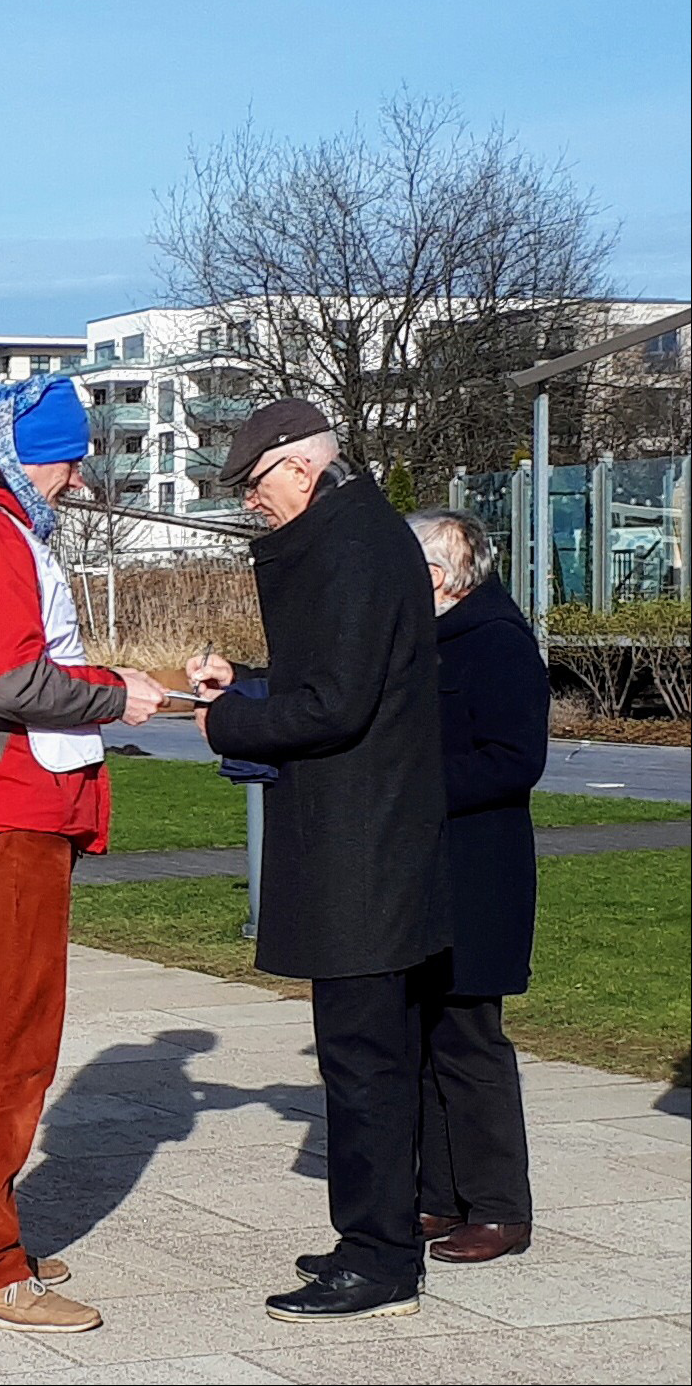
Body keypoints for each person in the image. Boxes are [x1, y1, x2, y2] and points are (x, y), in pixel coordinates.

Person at [0, 374, 164, 1334]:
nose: (78, 477)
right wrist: (115, 693)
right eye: (68, 459)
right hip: (3, 809)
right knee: (6, 1047)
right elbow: (11, 683)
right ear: (29, 456)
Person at [191, 399, 451, 1323]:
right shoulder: (361, 536)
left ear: (300, 468)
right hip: (367, 840)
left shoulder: (353, 547)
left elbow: (336, 705)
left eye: (255, 483)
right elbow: (338, 681)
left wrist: (230, 720)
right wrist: (252, 687)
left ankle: (379, 1262)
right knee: (369, 1054)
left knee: (364, 1060)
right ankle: (375, 1240)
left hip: (363, 848)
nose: (250, 503)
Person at [402, 508, 544, 1264]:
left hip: (478, 874)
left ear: (437, 576)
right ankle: (439, 1196)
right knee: (428, 1035)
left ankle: (498, 1208)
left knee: (469, 1039)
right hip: (425, 871)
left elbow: (514, 760)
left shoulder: (496, 641)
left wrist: (411, 788)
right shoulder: (426, 637)